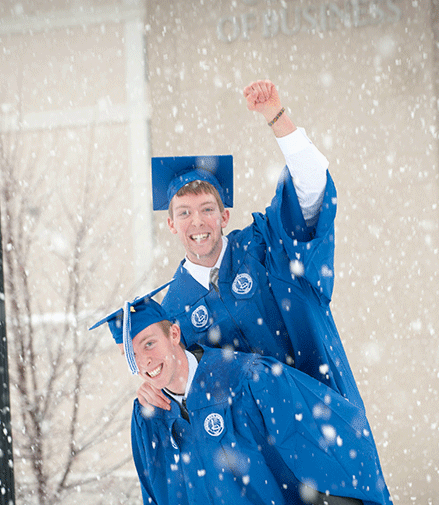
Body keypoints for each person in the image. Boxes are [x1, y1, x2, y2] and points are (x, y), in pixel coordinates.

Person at [90, 291, 394, 505]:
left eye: (149, 343)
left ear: (175, 334)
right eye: (131, 353)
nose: (145, 361)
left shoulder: (248, 379)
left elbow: (328, 453)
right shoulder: (148, 420)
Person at [141, 80, 361, 433]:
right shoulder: (172, 315)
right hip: (259, 465)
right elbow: (181, 392)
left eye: (207, 209)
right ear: (170, 224)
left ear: (225, 216)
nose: (197, 222)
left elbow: (312, 186)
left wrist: (276, 116)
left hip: (327, 427)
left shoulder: (266, 246)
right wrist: (152, 385)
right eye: (184, 213)